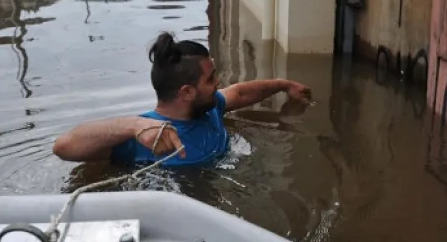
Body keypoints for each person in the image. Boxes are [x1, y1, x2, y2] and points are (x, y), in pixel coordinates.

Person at [52, 32, 311, 167]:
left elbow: (241, 93)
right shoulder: (146, 137)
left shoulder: (210, 108)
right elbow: (63, 146)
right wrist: (133, 126)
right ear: (187, 92)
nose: (218, 83)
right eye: (211, 79)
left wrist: (283, 85)